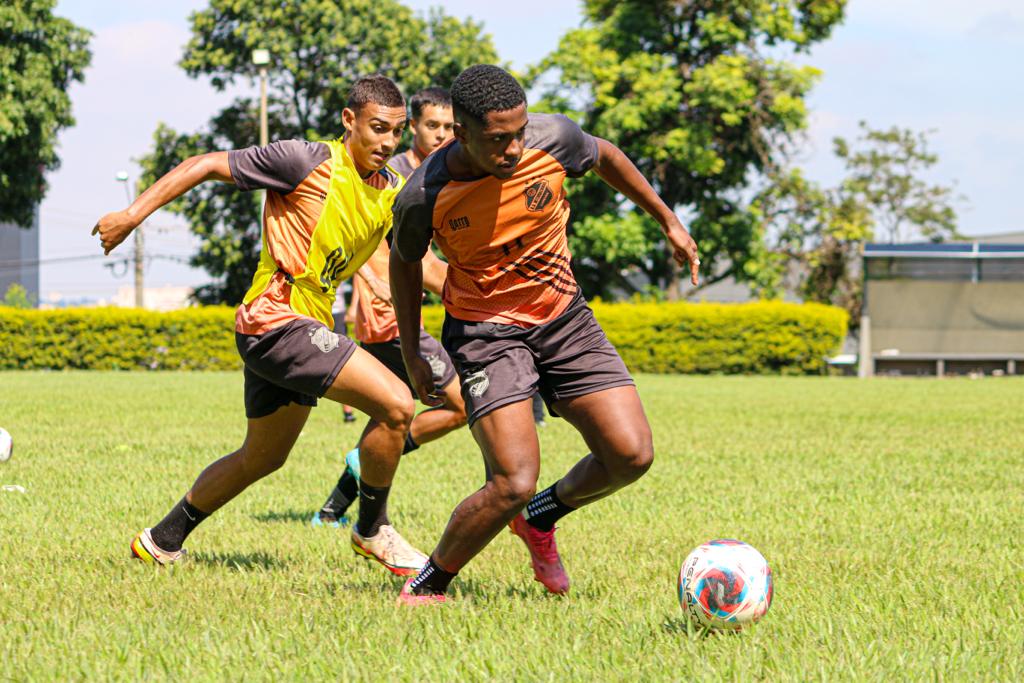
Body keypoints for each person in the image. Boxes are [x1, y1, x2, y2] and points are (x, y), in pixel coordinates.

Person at [93, 75, 430, 576]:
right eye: (377, 128)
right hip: (274, 321)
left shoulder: (392, 194)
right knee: (398, 405)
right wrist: (130, 215)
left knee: (263, 456)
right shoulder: (305, 160)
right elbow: (205, 164)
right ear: (349, 120)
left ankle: (161, 539)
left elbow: (407, 269)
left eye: (396, 133)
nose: (387, 142)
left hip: (303, 325)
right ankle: (372, 528)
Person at [388, 65, 700, 603]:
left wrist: (667, 221)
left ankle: (542, 518)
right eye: (496, 140)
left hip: (564, 316)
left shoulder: (553, 139)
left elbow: (605, 156)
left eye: (518, 133)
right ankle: (429, 583)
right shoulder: (424, 194)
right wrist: (413, 347)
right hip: (486, 333)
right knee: (512, 480)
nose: (512, 149)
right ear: (461, 133)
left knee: (631, 455)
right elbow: (404, 261)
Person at [312, 239, 466, 526]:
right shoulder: (398, 199)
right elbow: (350, 244)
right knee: (460, 405)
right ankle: (363, 459)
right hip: (391, 324)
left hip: (383, 325)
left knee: (388, 417)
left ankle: (329, 512)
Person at [389, 87, 453, 179]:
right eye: (432, 125)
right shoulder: (392, 174)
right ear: (413, 126)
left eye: (448, 127)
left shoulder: (460, 173)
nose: (441, 135)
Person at [332, 283, 358, 423]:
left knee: (342, 361)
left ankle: (348, 411)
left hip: (336, 310)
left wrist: (353, 308)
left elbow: (359, 275)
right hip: (309, 309)